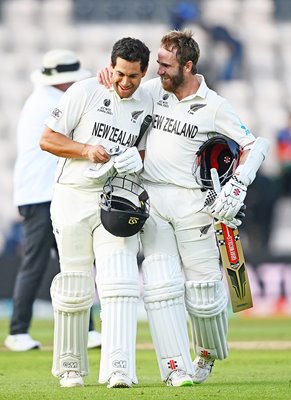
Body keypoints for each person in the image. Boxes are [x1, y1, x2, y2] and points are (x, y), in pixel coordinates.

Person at [98, 30, 269, 385]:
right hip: (155, 201)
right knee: (161, 286)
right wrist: (105, 76)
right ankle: (175, 365)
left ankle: (206, 353)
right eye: (158, 64)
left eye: (165, 65)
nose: (156, 71)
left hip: (195, 205)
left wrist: (237, 185)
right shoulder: (152, 93)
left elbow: (255, 144)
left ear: (187, 66)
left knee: (204, 292)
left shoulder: (214, 105)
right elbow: (122, 90)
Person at [39, 37, 153, 389]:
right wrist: (86, 149)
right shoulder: (85, 90)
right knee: (74, 284)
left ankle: (119, 366)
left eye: (133, 76)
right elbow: (47, 139)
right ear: (111, 66)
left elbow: (149, 152)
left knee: (119, 281)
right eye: (120, 73)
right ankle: (71, 366)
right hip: (73, 197)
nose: (125, 82)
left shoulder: (149, 99)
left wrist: (139, 159)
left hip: (114, 201)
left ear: (143, 72)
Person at [4, 49, 101, 352]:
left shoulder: (45, 99)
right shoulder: (49, 103)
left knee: (70, 261)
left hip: (46, 193)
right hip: (41, 195)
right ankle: (18, 331)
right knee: (42, 262)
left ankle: (84, 329)